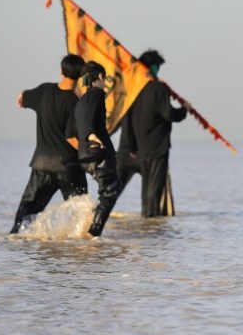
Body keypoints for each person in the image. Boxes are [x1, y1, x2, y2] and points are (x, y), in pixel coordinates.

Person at [10, 54, 87, 234]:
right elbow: (72, 139)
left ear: (61, 71)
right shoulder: (77, 102)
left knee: (24, 217)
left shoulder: (44, 91)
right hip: (69, 168)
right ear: (81, 75)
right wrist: (91, 154)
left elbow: (22, 98)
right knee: (81, 216)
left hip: (42, 166)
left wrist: (23, 97)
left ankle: (15, 245)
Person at [115, 49, 191, 218]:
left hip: (129, 149)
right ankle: (151, 228)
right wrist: (184, 109)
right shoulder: (158, 88)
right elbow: (169, 114)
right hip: (155, 150)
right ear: (152, 67)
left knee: (113, 191)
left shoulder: (131, 89)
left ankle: (95, 221)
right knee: (152, 194)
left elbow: (125, 118)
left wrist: (131, 147)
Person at [75, 61, 122, 237]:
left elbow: (74, 127)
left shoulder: (82, 99)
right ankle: (92, 234)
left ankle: (88, 226)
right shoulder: (96, 94)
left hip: (85, 154)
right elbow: (88, 120)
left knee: (109, 190)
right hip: (97, 152)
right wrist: (91, 135)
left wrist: (87, 138)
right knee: (110, 191)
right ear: (101, 76)